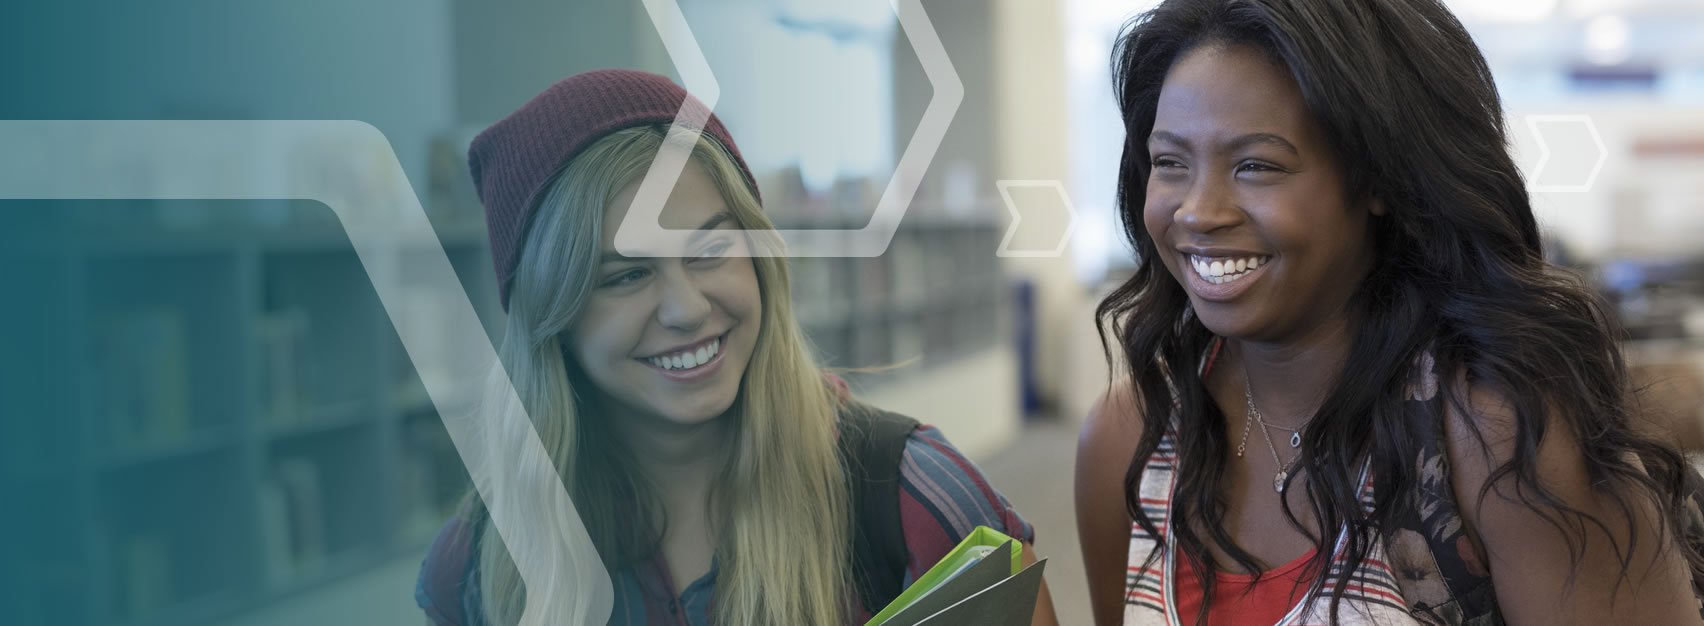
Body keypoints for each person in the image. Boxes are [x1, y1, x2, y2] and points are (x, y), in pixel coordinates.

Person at [1074, 1, 1704, 624]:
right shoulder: (1131, 439)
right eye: (1170, 163)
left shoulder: (1498, 436)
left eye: (1256, 166)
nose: (1196, 212)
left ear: (1378, 179)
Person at [413, 69, 1058, 626]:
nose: (688, 308)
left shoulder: (913, 497)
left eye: (711, 249)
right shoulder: (480, 563)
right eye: (626, 276)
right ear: (550, 319)